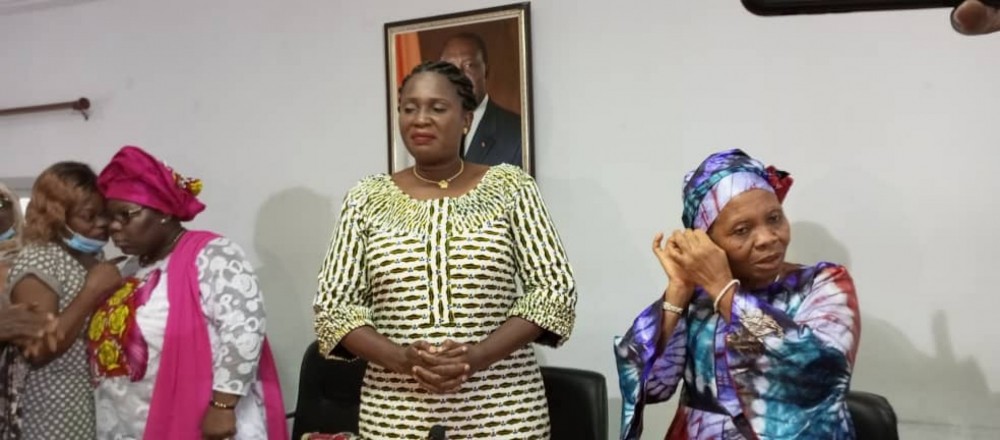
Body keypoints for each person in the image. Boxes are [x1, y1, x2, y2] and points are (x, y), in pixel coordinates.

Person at [314, 61, 576, 439]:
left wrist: (478, 356)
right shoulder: (365, 198)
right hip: (397, 413)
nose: (420, 119)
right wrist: (401, 359)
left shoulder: (511, 188)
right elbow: (334, 307)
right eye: (409, 108)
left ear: (466, 119)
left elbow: (554, 291)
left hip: (503, 410)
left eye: (437, 108)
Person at [614, 149, 860, 439]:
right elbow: (652, 386)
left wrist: (724, 291)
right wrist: (678, 290)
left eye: (774, 218)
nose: (767, 238)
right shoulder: (698, 298)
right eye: (742, 230)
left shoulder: (823, 284)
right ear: (707, 243)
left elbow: (816, 372)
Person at [92, 145, 286, 440]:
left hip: (203, 421)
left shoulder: (212, 254)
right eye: (110, 218)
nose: (115, 228)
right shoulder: (128, 269)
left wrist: (222, 406)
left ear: (162, 211)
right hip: (132, 423)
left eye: (125, 215)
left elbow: (244, 329)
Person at [5, 162, 119, 439]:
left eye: (105, 214)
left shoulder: (95, 258)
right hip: (52, 406)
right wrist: (91, 292)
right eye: (89, 216)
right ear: (57, 217)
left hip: (93, 398)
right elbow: (38, 350)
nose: (103, 223)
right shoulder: (39, 260)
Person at [440, 33, 524, 168]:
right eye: (450, 67)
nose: (459, 76)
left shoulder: (518, 133)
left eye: (469, 65)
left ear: (486, 71)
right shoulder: (429, 132)